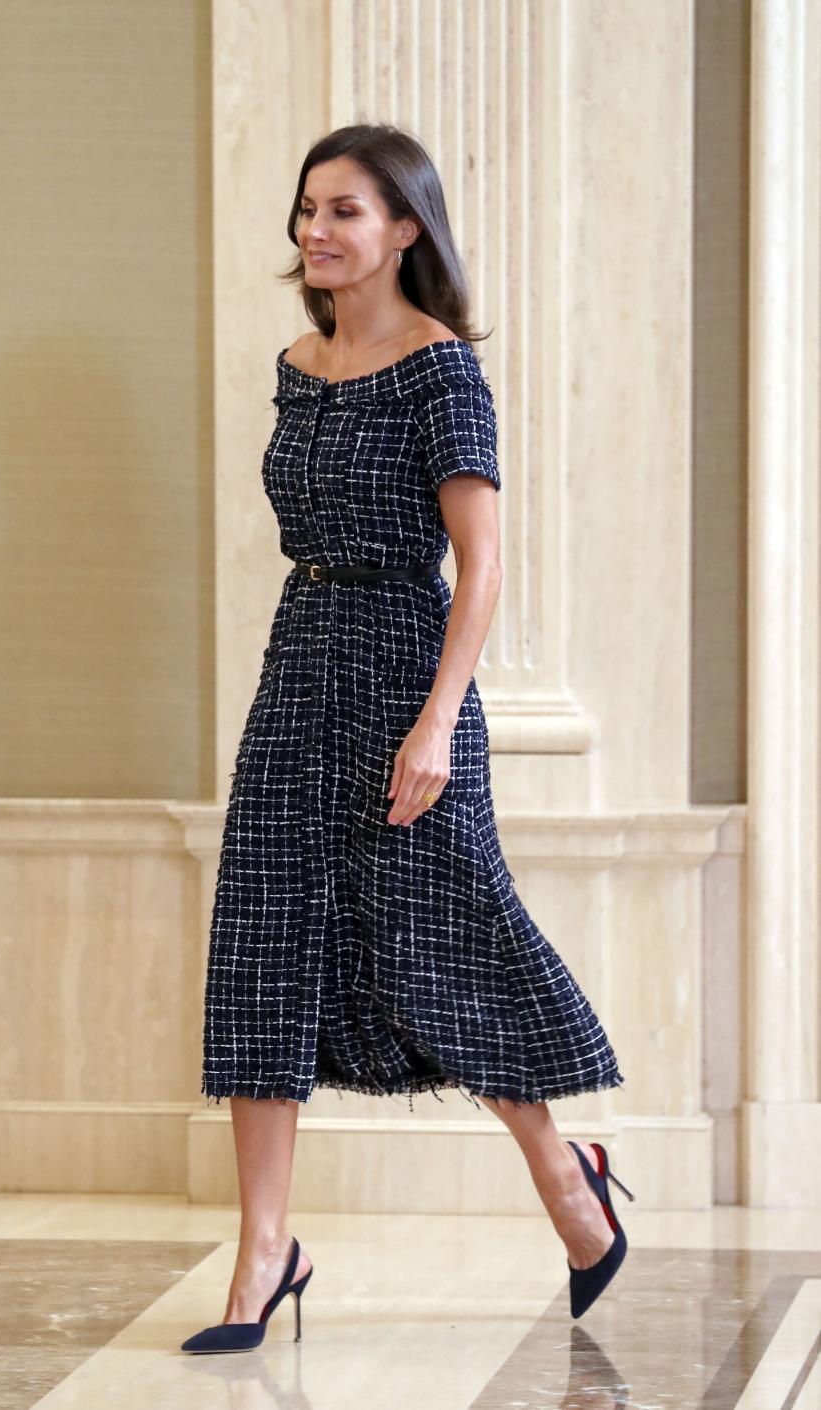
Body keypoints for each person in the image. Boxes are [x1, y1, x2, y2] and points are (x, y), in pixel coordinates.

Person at [182, 124, 632, 1355]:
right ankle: (265, 1251)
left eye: (344, 210)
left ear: (405, 229)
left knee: (442, 941)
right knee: (262, 940)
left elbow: (480, 566)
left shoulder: (441, 372)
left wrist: (437, 723)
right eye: (306, 209)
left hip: (403, 674)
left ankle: (562, 1169)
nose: (315, 231)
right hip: (298, 665)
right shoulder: (296, 361)